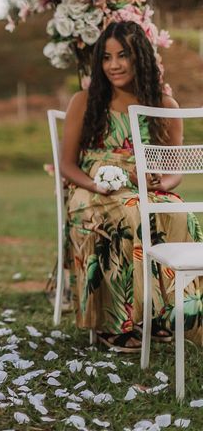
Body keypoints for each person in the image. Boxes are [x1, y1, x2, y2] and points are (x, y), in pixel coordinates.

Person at [60, 21, 203, 353]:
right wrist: (95, 184)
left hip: (143, 188)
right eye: (107, 58)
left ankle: (169, 316)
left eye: (122, 55)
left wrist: (160, 182)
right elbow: (67, 165)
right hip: (92, 191)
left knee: (178, 215)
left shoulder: (164, 106)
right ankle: (118, 324)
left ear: (141, 57)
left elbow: (174, 170)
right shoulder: (84, 101)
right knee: (128, 215)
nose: (114, 65)